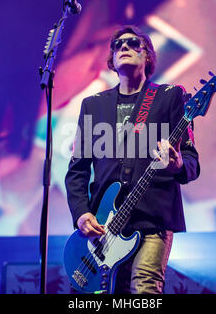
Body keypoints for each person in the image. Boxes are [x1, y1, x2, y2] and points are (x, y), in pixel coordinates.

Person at [65, 25, 200, 294]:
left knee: (145, 290)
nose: (124, 47)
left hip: (152, 222)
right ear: (112, 60)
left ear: (148, 55)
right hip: (103, 229)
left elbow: (191, 160)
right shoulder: (93, 105)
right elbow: (77, 170)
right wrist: (81, 213)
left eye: (133, 43)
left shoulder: (170, 97)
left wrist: (177, 165)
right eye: (117, 45)